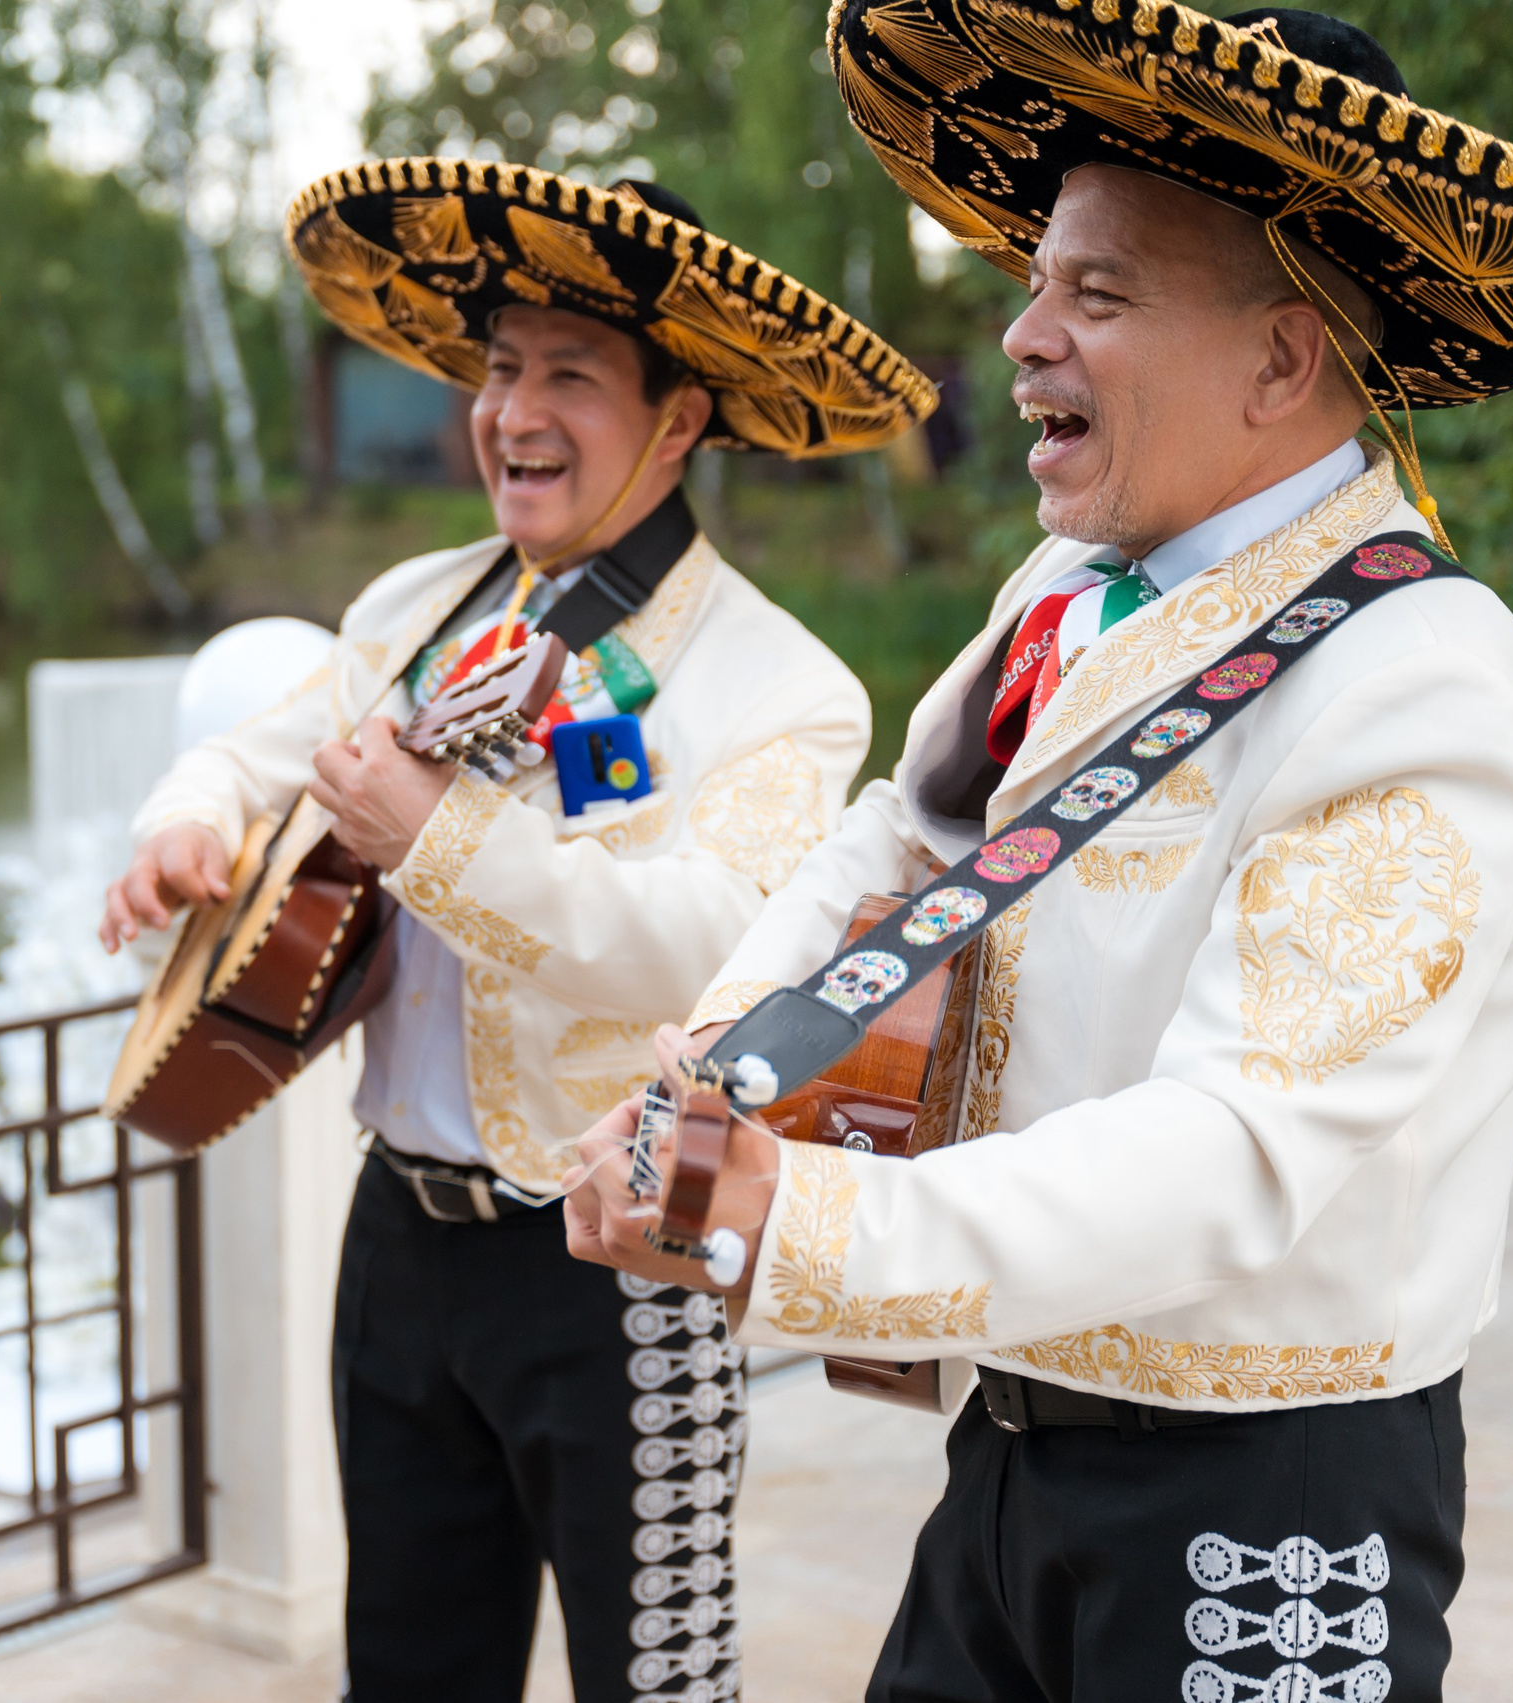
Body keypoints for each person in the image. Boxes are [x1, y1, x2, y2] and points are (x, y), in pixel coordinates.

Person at [566, 8, 1513, 1701]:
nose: (1022, 339)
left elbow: (1235, 1148)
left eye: (1095, 296)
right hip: (1017, 1450)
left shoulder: (1422, 681)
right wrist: (722, 1068)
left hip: (1268, 1498)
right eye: (1040, 286)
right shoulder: (1067, 592)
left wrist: (803, 1227)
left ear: (1280, 361)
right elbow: (903, 838)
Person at [104, 163, 934, 1702]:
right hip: (398, 1238)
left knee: (660, 1678)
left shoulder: (781, 683)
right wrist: (188, 821)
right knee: (409, 1670)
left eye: (569, 375)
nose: (514, 411)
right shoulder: (413, 608)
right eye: (499, 371)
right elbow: (257, 749)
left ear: (679, 420)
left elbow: (717, 949)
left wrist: (439, 840)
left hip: (628, 1253)